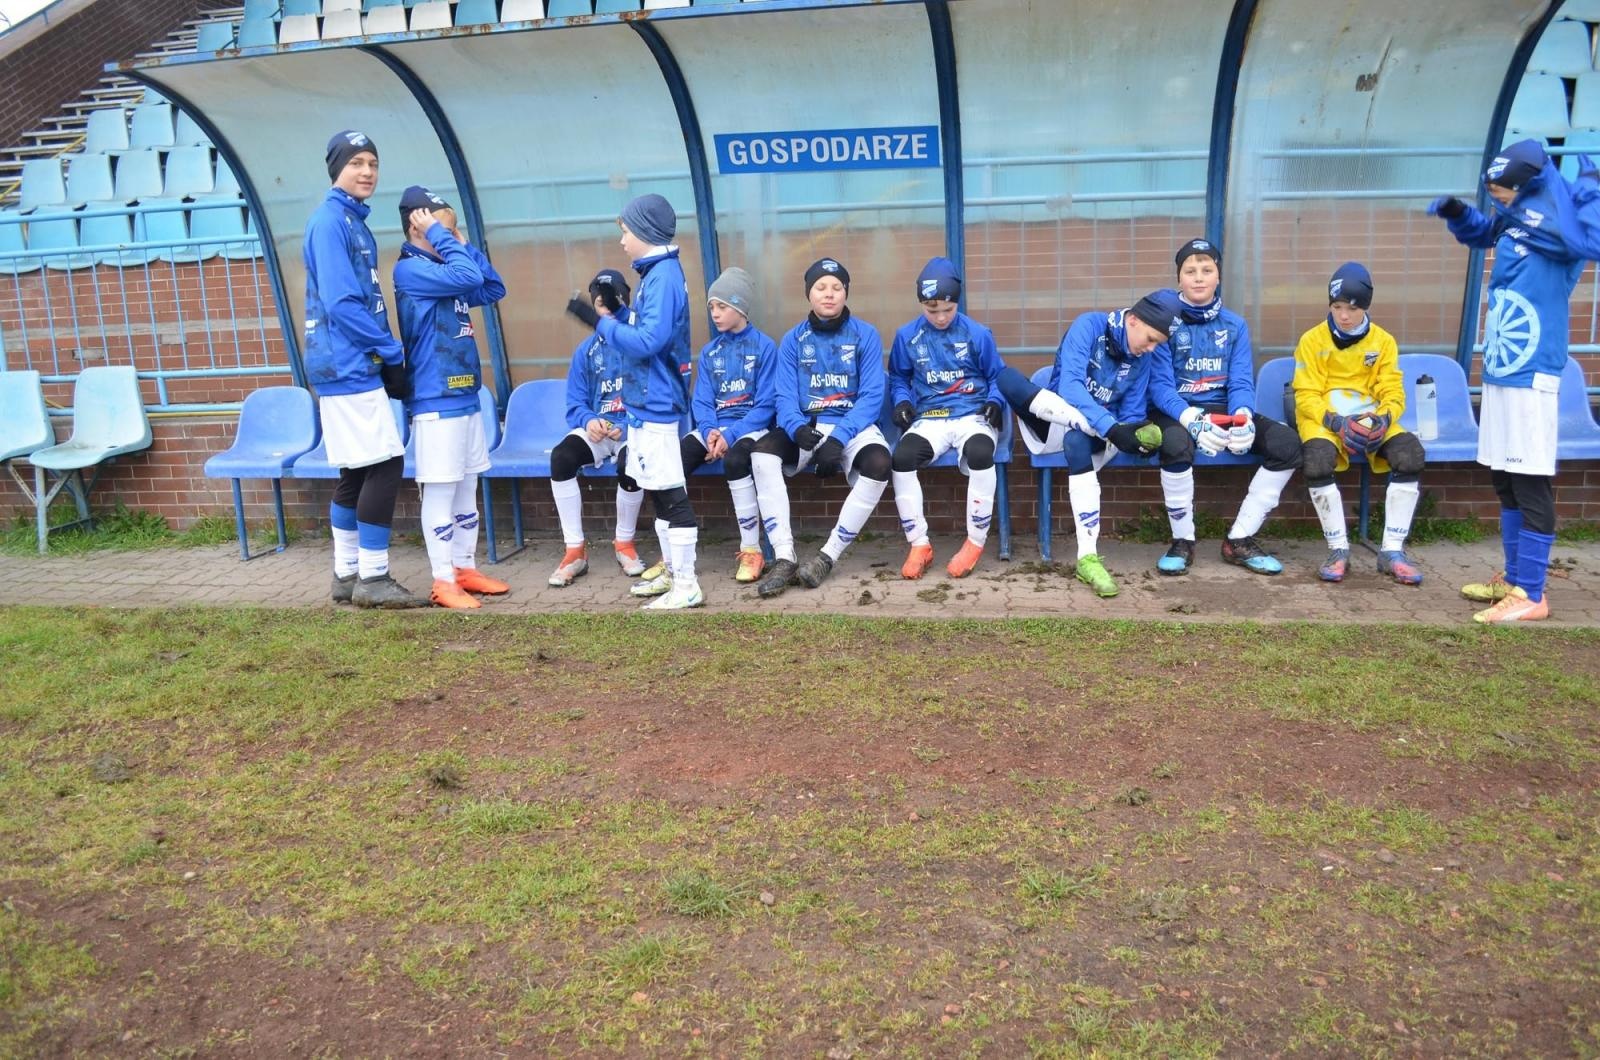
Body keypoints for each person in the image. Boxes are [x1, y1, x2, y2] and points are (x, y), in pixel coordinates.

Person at [1432, 139, 1600, 622]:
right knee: (1504, 476)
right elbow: (1486, 231)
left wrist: (1587, 192)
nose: (1496, 198)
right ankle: (1513, 576)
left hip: (1533, 373)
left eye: (1501, 190)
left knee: (1529, 481)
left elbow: (1588, 239)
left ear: (1526, 183)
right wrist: (1457, 214)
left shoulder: (1563, 227)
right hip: (1504, 365)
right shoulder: (1520, 214)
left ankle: (1532, 594)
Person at [303, 130, 424, 609]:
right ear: (336, 169)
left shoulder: (351, 220)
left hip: (349, 361)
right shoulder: (330, 222)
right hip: (347, 363)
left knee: (356, 469)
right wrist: (391, 353)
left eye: (373, 162)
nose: (367, 172)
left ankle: (346, 574)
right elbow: (342, 303)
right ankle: (372, 578)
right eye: (356, 162)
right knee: (385, 464)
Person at [993, 290, 1180, 598]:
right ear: (1133, 320)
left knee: (1078, 441)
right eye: (1150, 339)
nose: (1151, 348)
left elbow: (1132, 413)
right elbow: (1070, 387)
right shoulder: (1089, 326)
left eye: (1158, 344)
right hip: (1059, 417)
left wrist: (1132, 436)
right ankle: (1084, 424)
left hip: (1093, 438)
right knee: (1007, 378)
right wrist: (1107, 426)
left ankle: (1087, 558)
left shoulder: (1142, 358)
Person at [564, 193, 702, 610]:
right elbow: (645, 330)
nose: (622, 241)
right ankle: (672, 575)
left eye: (625, 231)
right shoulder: (654, 274)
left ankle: (687, 584)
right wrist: (618, 315)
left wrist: (598, 323)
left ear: (644, 230)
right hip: (645, 404)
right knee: (656, 490)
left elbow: (649, 342)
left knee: (671, 493)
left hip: (658, 404)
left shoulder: (661, 277)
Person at [1146, 238, 1303, 575]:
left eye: (1207, 270)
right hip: (1178, 411)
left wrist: (1244, 416)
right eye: (1190, 271)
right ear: (1179, 279)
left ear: (1218, 277)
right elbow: (1159, 388)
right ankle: (1183, 540)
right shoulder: (1164, 323)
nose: (1199, 277)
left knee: (1287, 445)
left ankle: (1240, 540)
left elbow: (1242, 381)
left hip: (1224, 409)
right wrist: (1191, 419)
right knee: (1174, 444)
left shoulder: (1235, 325)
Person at [391, 185, 510, 609]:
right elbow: (468, 278)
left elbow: (492, 287)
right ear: (418, 223)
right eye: (444, 226)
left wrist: (457, 240)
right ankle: (443, 580)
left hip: (465, 395)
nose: (452, 235)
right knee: (441, 490)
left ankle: (464, 567)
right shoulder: (411, 270)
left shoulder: (448, 264)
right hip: (434, 398)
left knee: (467, 486)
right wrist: (443, 239)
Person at [751, 257, 892, 597]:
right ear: (808, 294)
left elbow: (873, 395)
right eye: (820, 287)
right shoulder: (792, 340)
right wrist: (797, 429)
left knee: (880, 464)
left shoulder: (866, 335)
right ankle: (784, 557)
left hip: (852, 427)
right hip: (807, 428)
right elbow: (784, 395)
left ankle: (827, 556)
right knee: (762, 454)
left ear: (846, 293)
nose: (829, 294)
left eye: (837, 287)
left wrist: (840, 438)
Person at [1290, 263, 1426, 585]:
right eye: (1336, 307)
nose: (1344, 315)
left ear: (1365, 306)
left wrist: (1385, 418)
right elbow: (1305, 393)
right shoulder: (1312, 340)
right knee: (1317, 461)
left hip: (1371, 416)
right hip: (1325, 420)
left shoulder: (1383, 342)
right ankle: (1338, 549)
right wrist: (1334, 421)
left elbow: (1393, 390)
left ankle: (1392, 551)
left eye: (1352, 308)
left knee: (1410, 455)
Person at [887, 257, 1006, 580]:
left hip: (971, 415)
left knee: (982, 454)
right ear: (922, 305)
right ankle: (919, 544)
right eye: (931, 309)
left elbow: (998, 376)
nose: (940, 317)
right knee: (901, 457)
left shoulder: (978, 334)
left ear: (957, 302)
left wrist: (995, 401)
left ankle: (975, 541)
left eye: (947, 310)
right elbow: (898, 377)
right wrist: (900, 402)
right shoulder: (906, 336)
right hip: (931, 418)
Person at [547, 268, 657, 588]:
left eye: (612, 303)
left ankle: (624, 543)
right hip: (599, 430)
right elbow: (575, 404)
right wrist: (588, 421)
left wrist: (625, 425)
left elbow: (655, 396)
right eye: (598, 304)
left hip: (632, 429)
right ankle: (575, 552)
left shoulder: (640, 340)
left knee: (630, 463)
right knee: (562, 457)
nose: (605, 310)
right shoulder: (585, 351)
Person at [681, 267, 777, 584]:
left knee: (736, 460)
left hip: (749, 429)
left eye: (722, 306)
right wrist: (710, 430)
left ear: (740, 307)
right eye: (711, 307)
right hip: (714, 430)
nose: (715, 314)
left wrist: (730, 434)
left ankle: (751, 549)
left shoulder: (765, 347)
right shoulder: (710, 352)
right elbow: (702, 401)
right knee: (675, 460)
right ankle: (674, 552)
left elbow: (766, 405)